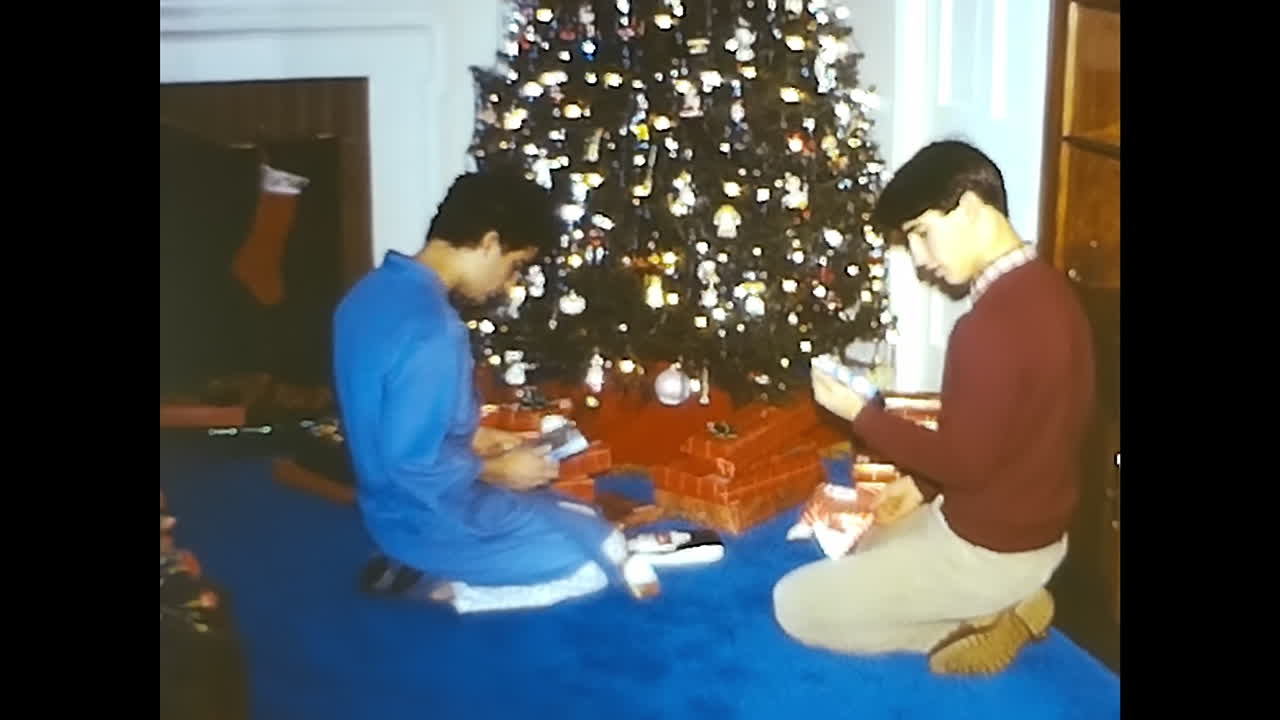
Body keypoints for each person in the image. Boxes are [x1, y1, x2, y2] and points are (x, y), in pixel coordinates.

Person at [772, 141, 1096, 675]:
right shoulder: (1052, 290)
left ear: (970, 207)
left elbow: (965, 465)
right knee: (867, 548)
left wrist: (861, 413)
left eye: (921, 233)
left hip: (988, 551)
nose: (921, 259)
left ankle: (987, 617)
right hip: (1033, 533)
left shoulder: (987, 329)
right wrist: (922, 487)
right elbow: (1013, 433)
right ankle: (1001, 600)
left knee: (796, 603)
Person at [332, 169, 632, 613]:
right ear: (490, 243)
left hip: (385, 507)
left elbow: (387, 415)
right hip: (427, 513)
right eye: (514, 267)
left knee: (585, 519)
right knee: (593, 559)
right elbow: (411, 464)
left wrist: (477, 440)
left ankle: (424, 561)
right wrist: (496, 470)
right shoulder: (434, 329)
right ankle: (447, 586)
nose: (508, 284)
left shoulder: (367, 293)